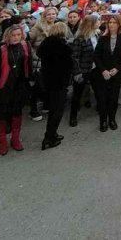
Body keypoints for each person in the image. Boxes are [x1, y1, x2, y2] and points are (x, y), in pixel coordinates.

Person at [0, 24, 30, 155]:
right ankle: (2, 142)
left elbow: (28, 64)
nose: (16, 37)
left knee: (17, 112)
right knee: (2, 114)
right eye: (13, 35)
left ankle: (15, 139)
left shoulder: (25, 45)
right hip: (3, 86)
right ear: (8, 36)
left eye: (18, 35)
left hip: (20, 86)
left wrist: (30, 80)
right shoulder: (0, 50)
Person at [37, 22, 72, 150]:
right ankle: (49, 137)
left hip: (48, 81)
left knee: (53, 109)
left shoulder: (46, 43)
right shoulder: (62, 46)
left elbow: (39, 54)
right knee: (58, 110)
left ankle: (52, 134)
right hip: (59, 82)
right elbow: (69, 64)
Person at [93, 14, 121, 132]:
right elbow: (96, 56)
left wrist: (117, 68)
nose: (112, 25)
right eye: (110, 23)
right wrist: (103, 70)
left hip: (116, 72)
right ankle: (103, 120)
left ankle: (112, 119)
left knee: (114, 98)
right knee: (103, 98)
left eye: (114, 22)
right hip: (102, 72)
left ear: (119, 24)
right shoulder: (103, 38)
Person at [69, 16, 97, 127]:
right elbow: (74, 57)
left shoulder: (96, 35)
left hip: (95, 69)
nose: (99, 22)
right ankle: (73, 116)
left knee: (98, 91)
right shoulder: (79, 39)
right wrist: (77, 73)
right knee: (77, 95)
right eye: (97, 21)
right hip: (83, 70)